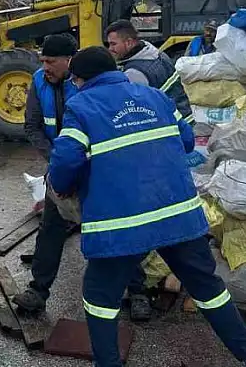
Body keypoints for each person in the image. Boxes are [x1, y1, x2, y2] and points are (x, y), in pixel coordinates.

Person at [47, 47, 246, 367]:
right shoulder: (156, 97)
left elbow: (66, 161)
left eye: (76, 81)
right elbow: (187, 140)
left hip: (122, 224)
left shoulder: (82, 105)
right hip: (177, 216)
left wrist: (64, 186)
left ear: (81, 80)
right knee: (208, 289)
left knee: (100, 297)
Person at [15, 34, 147, 315]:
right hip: (62, 166)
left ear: (69, 61)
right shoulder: (39, 82)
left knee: (119, 227)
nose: (45, 67)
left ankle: (138, 292)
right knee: (51, 227)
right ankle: (37, 291)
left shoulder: (88, 80)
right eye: (42, 61)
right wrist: (58, 160)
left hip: (99, 168)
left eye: (51, 61)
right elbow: (33, 127)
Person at [105, 20, 193, 125]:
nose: (110, 49)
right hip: (186, 117)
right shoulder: (155, 53)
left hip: (174, 125)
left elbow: (132, 111)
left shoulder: (134, 73)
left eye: (113, 44)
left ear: (129, 42)